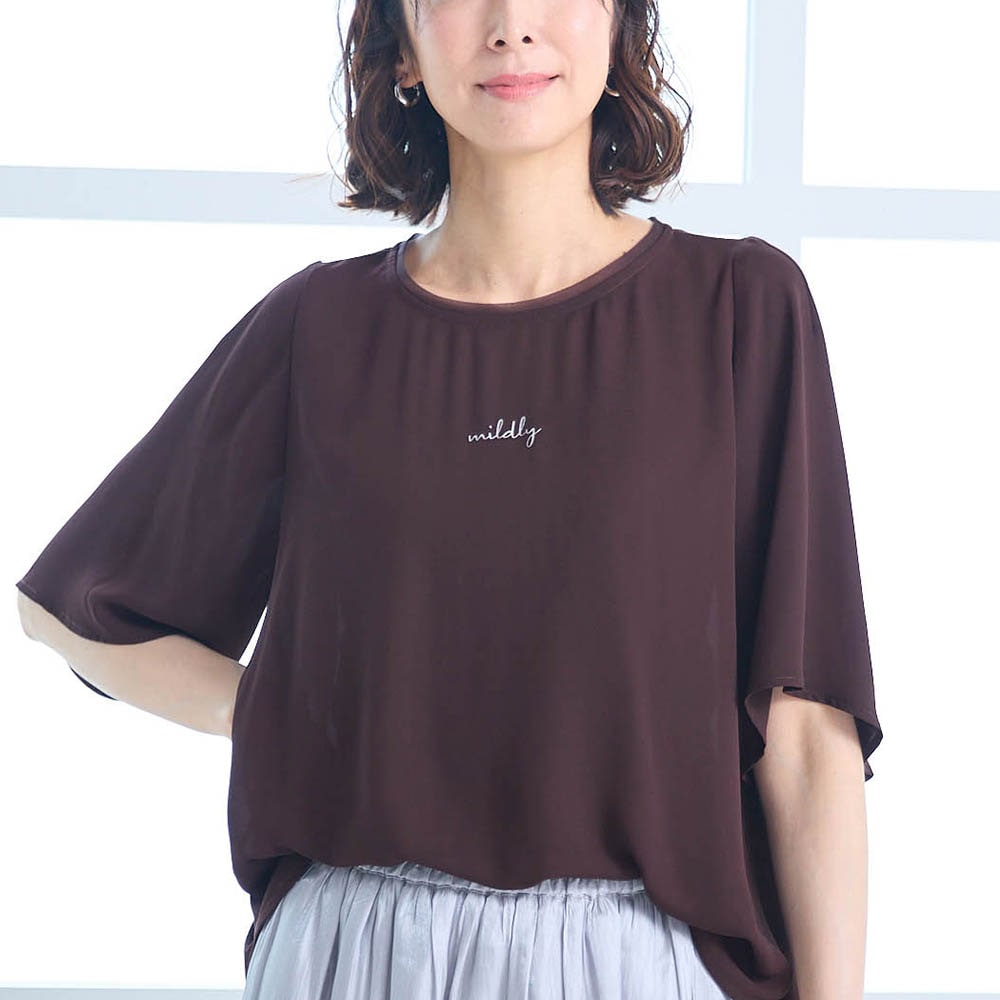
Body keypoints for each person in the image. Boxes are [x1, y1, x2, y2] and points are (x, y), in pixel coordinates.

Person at [15, 0, 883, 998]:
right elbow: (67, 607)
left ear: (619, 29)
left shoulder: (739, 308)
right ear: (402, 54)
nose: (512, 25)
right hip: (355, 950)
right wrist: (272, 709)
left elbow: (805, 738)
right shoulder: (321, 327)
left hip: (639, 956)